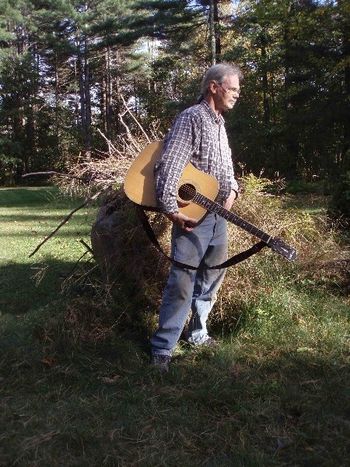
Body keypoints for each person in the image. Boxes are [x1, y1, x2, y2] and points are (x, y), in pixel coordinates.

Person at [150, 63, 242, 371]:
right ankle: (163, 347)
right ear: (214, 87)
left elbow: (226, 167)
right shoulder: (191, 117)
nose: (237, 95)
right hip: (192, 215)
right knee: (182, 280)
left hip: (219, 217)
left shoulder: (219, 123)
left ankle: (198, 332)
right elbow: (170, 164)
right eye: (233, 89)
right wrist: (171, 209)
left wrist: (233, 192)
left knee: (213, 276)